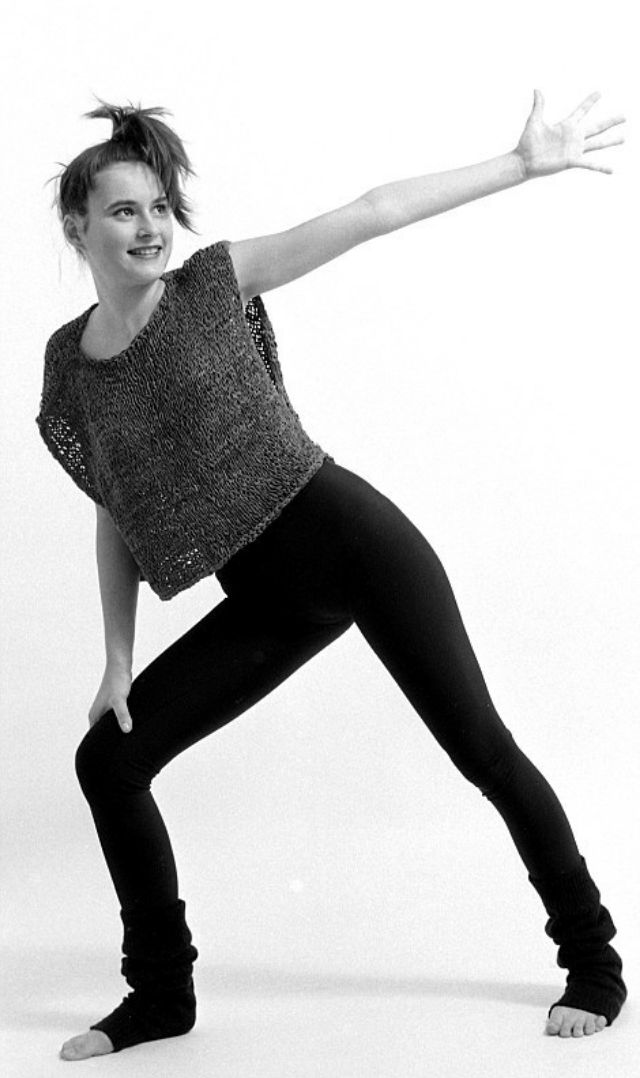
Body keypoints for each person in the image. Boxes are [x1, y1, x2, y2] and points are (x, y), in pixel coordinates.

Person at [36, 91, 627, 1061]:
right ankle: (162, 994)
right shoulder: (71, 364)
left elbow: (369, 211)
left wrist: (519, 164)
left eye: (158, 207)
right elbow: (115, 506)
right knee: (109, 761)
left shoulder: (211, 286)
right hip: (268, 597)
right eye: (123, 210)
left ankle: (594, 963)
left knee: (483, 750)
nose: (147, 227)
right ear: (79, 226)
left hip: (352, 543)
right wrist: (117, 659)